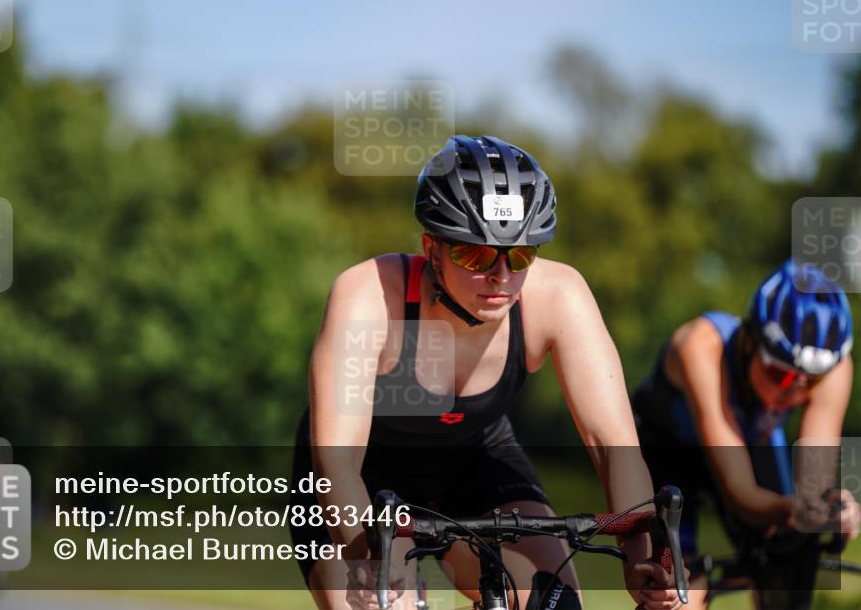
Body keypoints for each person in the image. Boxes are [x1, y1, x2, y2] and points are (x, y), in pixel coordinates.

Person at [289, 135, 683, 610]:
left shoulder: (559, 295)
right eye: (475, 256)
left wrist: (639, 556)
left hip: (475, 463)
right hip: (363, 481)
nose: (500, 276)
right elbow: (337, 462)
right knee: (381, 604)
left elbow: (614, 447)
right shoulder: (368, 294)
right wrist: (367, 554)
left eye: (519, 255)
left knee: (552, 604)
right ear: (431, 248)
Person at [631, 260, 860, 609]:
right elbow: (740, 493)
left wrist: (828, 510)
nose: (794, 393)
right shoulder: (702, 347)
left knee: (788, 568)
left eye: (811, 382)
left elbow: (810, 493)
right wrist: (791, 509)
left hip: (752, 443)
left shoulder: (836, 367)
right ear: (750, 342)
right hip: (667, 454)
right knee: (676, 596)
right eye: (780, 374)